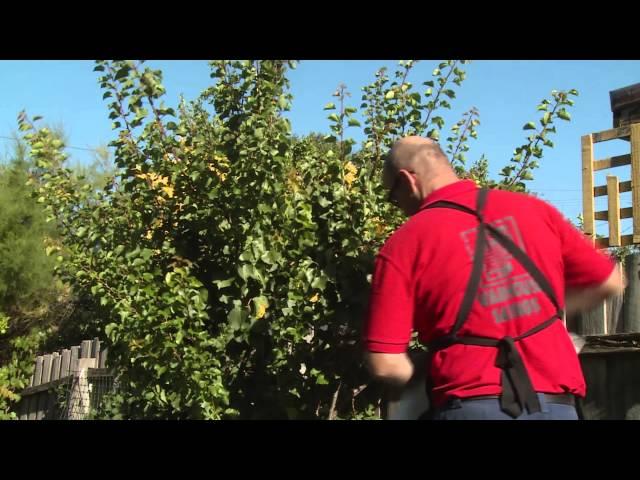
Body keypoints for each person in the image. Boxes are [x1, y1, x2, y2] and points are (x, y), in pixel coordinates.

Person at [362, 136, 625, 420]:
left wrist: (414, 379)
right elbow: (610, 280)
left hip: (470, 404)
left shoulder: (404, 243)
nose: (397, 205)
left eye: (393, 195)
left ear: (408, 180)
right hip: (557, 405)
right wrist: (537, 312)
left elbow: (387, 363)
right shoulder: (534, 209)